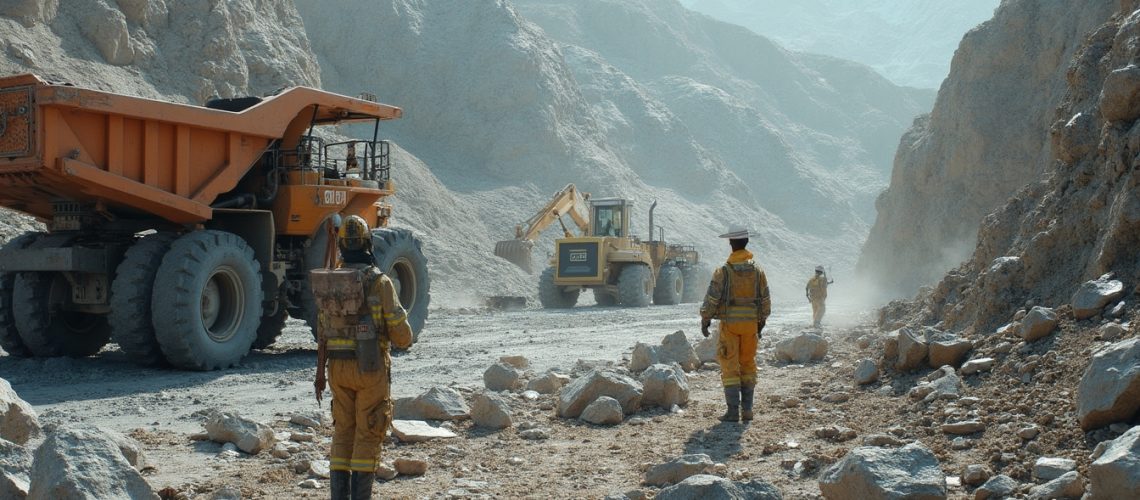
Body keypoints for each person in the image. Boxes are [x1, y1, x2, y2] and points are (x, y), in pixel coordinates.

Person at [312, 215, 413, 500]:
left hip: (337, 369)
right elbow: (402, 336)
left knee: (343, 431)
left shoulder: (331, 281)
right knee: (369, 431)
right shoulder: (380, 283)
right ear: (368, 243)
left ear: (343, 245)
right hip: (369, 370)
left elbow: (321, 328)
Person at [700, 227, 771, 422]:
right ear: (747, 242)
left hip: (730, 326)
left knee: (730, 366)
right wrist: (761, 322)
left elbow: (712, 298)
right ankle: (747, 410)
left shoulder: (723, 271)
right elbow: (765, 300)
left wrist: (705, 319)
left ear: (731, 243)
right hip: (750, 326)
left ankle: (732, 412)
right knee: (748, 363)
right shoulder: (758, 271)